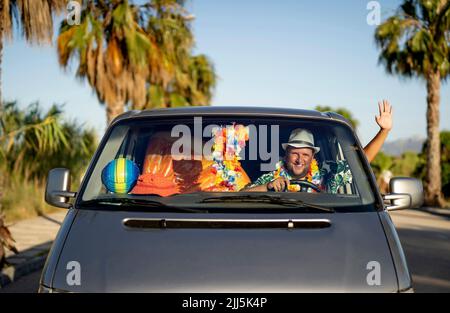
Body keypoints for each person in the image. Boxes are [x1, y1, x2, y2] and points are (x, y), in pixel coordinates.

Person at [243, 100, 393, 193]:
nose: (299, 159)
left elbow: (361, 162)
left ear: (313, 156)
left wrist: (383, 131)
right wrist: (268, 187)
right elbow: (244, 193)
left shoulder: (328, 173)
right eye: (295, 153)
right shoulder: (274, 177)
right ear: (286, 154)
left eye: (305, 154)